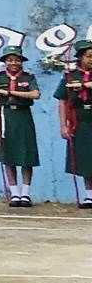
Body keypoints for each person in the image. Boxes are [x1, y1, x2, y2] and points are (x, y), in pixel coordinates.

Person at [0, 44, 40, 208]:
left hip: (23, 116)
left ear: (21, 61)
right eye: (10, 60)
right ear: (5, 62)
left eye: (17, 60)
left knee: (26, 156)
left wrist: (11, 93)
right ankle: (15, 193)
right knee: (8, 156)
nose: (13, 63)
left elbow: (35, 94)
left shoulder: (28, 77)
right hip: (5, 116)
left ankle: (25, 193)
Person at [53, 40, 92, 209]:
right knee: (85, 158)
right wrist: (63, 125)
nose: (91, 59)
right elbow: (62, 101)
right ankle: (89, 195)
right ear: (80, 57)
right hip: (80, 121)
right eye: (89, 56)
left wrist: (83, 85)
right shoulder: (70, 76)